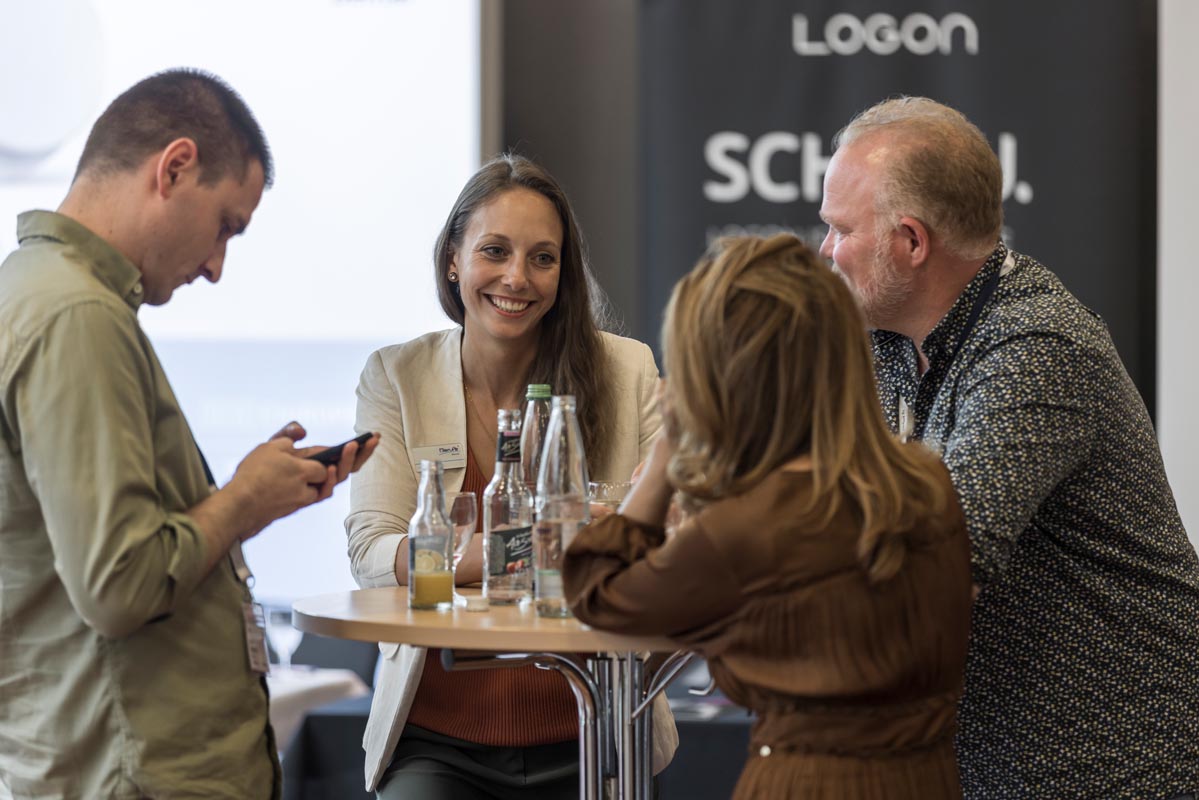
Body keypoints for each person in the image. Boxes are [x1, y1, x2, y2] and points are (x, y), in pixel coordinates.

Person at [0, 69, 377, 799]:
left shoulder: (45, 292)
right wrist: (242, 501)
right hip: (139, 774)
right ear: (173, 168)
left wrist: (249, 498)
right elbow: (120, 584)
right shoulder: (77, 316)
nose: (215, 266)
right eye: (226, 225)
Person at [818, 96, 1199, 798]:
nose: (824, 252)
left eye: (840, 229)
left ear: (911, 241)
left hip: (1109, 766)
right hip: (979, 762)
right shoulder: (885, 341)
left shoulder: (1036, 345)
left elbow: (938, 567)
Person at [563, 233, 972, 798]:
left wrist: (662, 461)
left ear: (721, 381)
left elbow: (596, 594)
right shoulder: (928, 484)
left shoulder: (746, 529)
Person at [345, 153, 677, 798]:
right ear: (453, 259)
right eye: (494, 251)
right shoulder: (397, 376)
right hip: (437, 739)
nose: (517, 278)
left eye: (542, 258)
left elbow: (665, 542)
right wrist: (547, 541)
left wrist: (465, 554)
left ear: (563, 272)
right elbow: (375, 555)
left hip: (597, 732)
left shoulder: (627, 369)